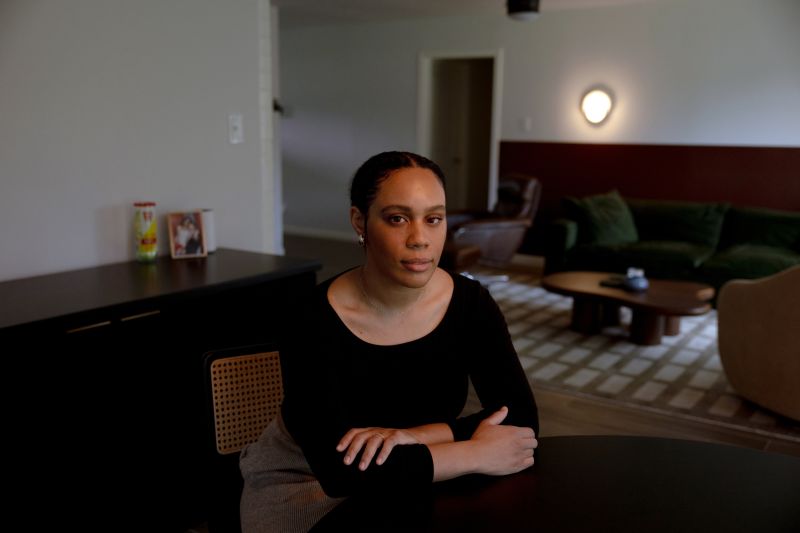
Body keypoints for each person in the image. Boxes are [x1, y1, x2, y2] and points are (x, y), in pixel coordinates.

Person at [240, 151, 539, 532]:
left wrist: (413, 436)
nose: (420, 239)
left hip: (420, 465)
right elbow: (341, 472)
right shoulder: (310, 318)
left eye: (433, 219)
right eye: (398, 218)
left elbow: (521, 420)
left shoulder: (471, 303)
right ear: (359, 222)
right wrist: (474, 452)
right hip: (306, 483)